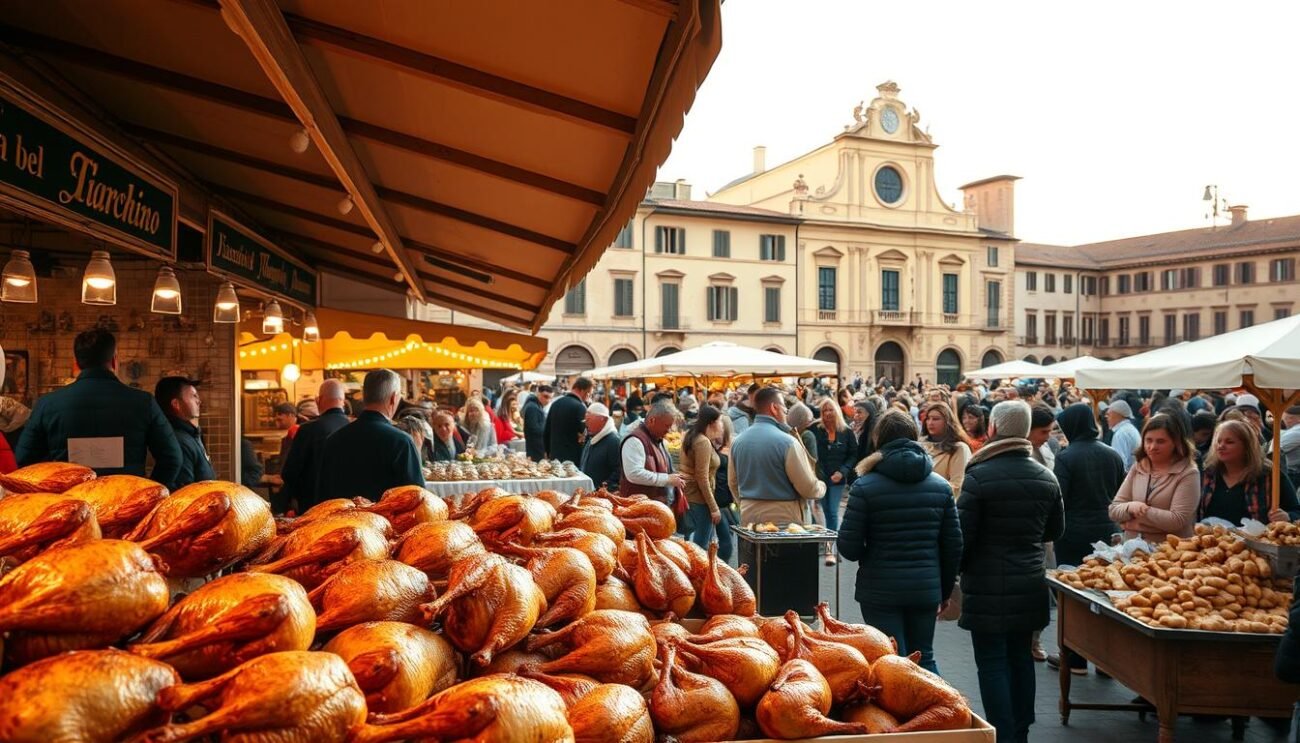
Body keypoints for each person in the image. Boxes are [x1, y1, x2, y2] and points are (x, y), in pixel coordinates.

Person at [958, 401, 1065, 743]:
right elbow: (1054, 531)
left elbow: (963, 537)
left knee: (991, 661)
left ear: (994, 428)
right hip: (1030, 580)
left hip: (986, 583)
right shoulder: (1046, 476)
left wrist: (955, 574)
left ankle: (1001, 732)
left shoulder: (977, 475)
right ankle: (1020, 730)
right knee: (1020, 657)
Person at [838, 409, 961, 674]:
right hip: (925, 587)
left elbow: (848, 547)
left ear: (878, 439)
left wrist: (869, 553)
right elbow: (953, 545)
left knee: (890, 661)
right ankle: (941, 713)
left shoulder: (865, 486)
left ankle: (902, 716)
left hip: (880, 588)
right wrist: (945, 589)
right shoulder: (940, 486)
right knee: (924, 657)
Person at [17, 328, 181, 485]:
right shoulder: (144, 402)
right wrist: (148, 494)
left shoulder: (48, 404)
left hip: (69, 505)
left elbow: (24, 460)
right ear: (114, 360)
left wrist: (51, 492)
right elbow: (172, 457)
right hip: (125, 504)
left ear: (76, 363)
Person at [1048, 402, 1125, 675]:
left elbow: (1059, 498)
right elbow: (1120, 491)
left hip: (1072, 532)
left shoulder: (1067, 457)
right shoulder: (1112, 453)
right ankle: (1106, 661)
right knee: (1103, 593)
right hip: (1106, 530)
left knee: (1073, 595)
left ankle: (1076, 658)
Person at [318, 369, 424, 502]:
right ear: (393, 398)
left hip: (341, 520)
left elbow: (322, 497)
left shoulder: (333, 440)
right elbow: (416, 497)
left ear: (364, 396)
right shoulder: (401, 442)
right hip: (387, 521)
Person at [729, 387, 825, 526]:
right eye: (785, 410)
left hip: (749, 518)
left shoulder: (737, 441)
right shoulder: (788, 442)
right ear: (774, 408)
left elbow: (732, 482)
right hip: (785, 521)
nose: (785, 414)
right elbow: (808, 487)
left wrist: (746, 503)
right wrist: (821, 487)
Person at [1108, 413, 1201, 542]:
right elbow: (1113, 510)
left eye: (1160, 441)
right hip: (1133, 553)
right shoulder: (1138, 467)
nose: (1152, 447)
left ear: (1176, 442)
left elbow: (1177, 521)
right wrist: (1130, 507)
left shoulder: (1188, 473)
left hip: (1169, 554)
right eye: (1148, 440)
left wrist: (1136, 520)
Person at [1199, 419, 1300, 523]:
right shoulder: (1206, 474)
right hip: (1210, 538)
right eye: (1218, 441)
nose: (1221, 446)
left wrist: (1287, 516)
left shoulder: (1270, 475)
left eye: (1229, 442)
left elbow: (1296, 511)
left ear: (1247, 446)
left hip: (1256, 538)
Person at [276, 379, 350, 514]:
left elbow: (290, 473)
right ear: (343, 401)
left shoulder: (307, 430)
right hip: (350, 509)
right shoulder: (354, 428)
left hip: (313, 509)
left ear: (319, 400)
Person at [812, 398, 858, 565]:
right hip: (821, 478)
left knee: (831, 511)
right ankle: (826, 546)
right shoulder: (816, 429)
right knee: (823, 510)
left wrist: (842, 471)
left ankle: (830, 551)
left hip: (838, 479)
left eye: (830, 410)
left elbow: (853, 454)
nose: (827, 413)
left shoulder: (846, 431)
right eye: (824, 410)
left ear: (836, 411)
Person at [619, 400, 685, 505]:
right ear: (652, 420)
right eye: (666, 425)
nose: (669, 430)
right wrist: (667, 479)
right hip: (638, 508)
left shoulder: (658, 439)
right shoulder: (635, 440)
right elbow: (634, 474)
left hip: (654, 506)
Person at [153, 376, 215, 489]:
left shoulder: (190, 435)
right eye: (193, 396)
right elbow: (185, 493)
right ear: (176, 404)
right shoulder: (178, 441)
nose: (199, 401)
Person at [680, 404, 727, 549]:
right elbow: (702, 477)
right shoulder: (702, 442)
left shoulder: (694, 436)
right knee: (699, 547)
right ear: (712, 423)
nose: (722, 425)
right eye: (720, 421)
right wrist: (713, 508)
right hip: (700, 499)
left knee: (694, 545)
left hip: (692, 496)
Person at [920, 401, 972, 497]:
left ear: (947, 422)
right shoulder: (919, 445)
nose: (930, 422)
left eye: (936, 419)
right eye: (928, 418)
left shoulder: (959, 448)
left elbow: (957, 486)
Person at [545, 378, 591, 463]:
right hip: (572, 458)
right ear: (582, 390)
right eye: (588, 393)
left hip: (555, 456)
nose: (588, 396)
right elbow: (585, 432)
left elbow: (546, 431)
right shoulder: (580, 407)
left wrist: (548, 452)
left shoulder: (555, 404)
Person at [579, 402, 621, 490]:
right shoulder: (592, 437)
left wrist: (602, 488)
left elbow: (619, 471)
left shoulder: (613, 441)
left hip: (603, 496)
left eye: (589, 420)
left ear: (603, 419)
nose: (586, 424)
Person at [1106, 399, 1141, 471]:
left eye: (1109, 414)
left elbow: (1120, 464)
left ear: (1117, 415)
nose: (1106, 418)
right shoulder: (1129, 429)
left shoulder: (1121, 434)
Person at [522, 385, 552, 461]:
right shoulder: (533, 407)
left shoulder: (535, 405)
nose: (547, 400)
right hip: (536, 448)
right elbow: (534, 429)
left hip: (536, 447)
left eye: (550, 397)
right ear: (538, 394)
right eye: (545, 396)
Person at [1273, 403, 1300, 484]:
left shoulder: (1297, 431)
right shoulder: (1294, 430)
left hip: (1292, 473)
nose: (1285, 421)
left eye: (1287, 418)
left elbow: (1275, 448)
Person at [1027, 403, 1056, 470]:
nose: (1048, 438)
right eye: (1044, 432)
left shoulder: (1044, 446)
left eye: (1050, 432)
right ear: (1028, 430)